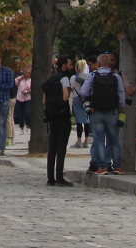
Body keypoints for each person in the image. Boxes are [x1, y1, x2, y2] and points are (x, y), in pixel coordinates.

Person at [82, 52, 124, 174]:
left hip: (97, 112)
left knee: (99, 139)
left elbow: (84, 92)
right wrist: (121, 108)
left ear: (99, 64)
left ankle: (103, 166)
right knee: (114, 140)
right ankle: (117, 166)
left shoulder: (93, 76)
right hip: (112, 112)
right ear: (109, 64)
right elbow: (121, 94)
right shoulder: (116, 77)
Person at [42, 56, 75, 187]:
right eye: (70, 64)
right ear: (64, 66)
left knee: (52, 147)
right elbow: (65, 97)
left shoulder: (51, 78)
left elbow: (45, 99)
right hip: (62, 115)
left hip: (52, 115)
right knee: (61, 146)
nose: (72, 67)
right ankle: (59, 176)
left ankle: (50, 177)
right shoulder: (64, 78)